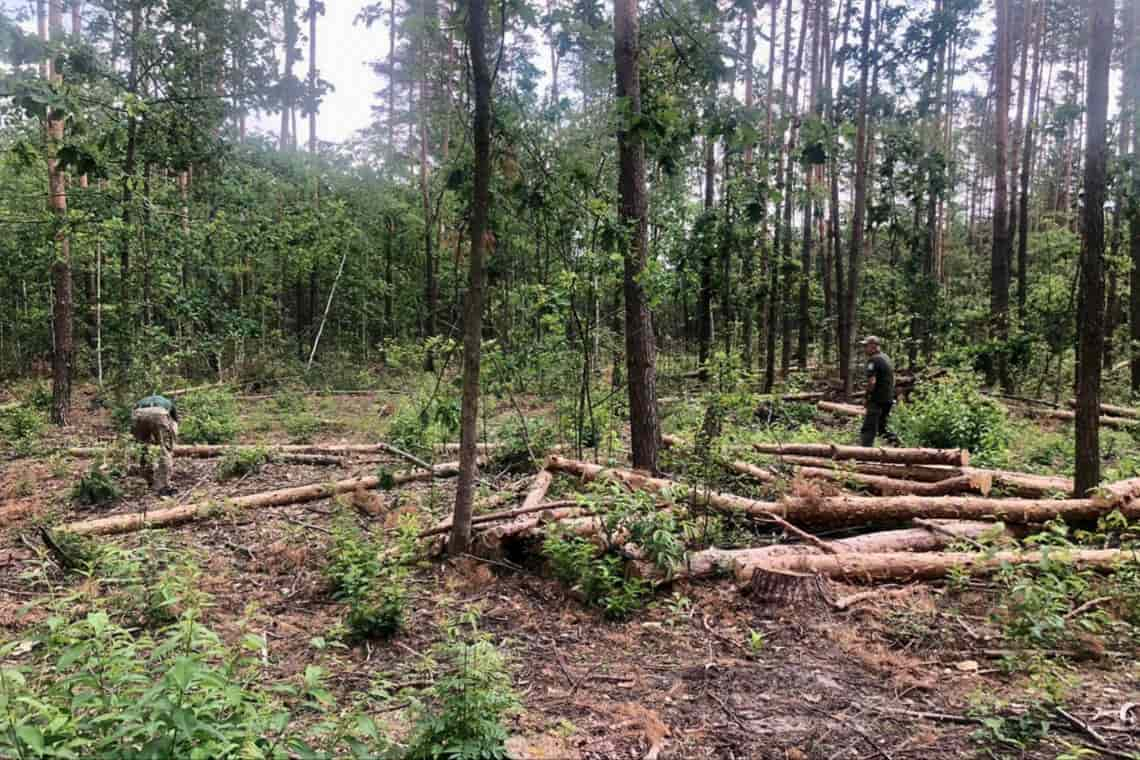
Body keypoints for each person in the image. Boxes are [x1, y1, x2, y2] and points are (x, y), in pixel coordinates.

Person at [131, 394, 179, 494]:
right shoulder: (168, 403)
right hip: (159, 414)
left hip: (138, 413)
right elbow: (175, 422)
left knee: (142, 447)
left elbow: (133, 414)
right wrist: (171, 441)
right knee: (164, 449)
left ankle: (146, 478)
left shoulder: (142, 400)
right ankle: (163, 485)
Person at [859, 336, 899, 447]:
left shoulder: (873, 360)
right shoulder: (885, 357)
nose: (864, 349)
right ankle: (898, 445)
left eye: (865, 346)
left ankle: (864, 454)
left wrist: (867, 397)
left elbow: (872, 382)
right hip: (888, 399)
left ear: (873, 346)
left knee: (868, 429)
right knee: (882, 428)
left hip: (877, 400)